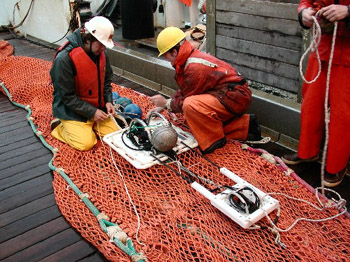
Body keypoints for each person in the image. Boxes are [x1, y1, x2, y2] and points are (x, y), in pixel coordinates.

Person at [150, 26, 262, 154]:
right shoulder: (188, 58)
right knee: (193, 120)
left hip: (235, 97)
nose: (167, 60)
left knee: (190, 106)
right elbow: (187, 89)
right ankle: (246, 126)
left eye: (166, 56)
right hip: (228, 94)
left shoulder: (194, 68)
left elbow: (186, 99)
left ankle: (214, 141)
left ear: (174, 52)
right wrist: (166, 105)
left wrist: (166, 103)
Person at [282, 0, 350, 187]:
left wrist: (347, 11)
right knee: (311, 106)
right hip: (321, 50)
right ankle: (307, 152)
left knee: (343, 115)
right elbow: (305, 2)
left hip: (347, 55)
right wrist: (304, 12)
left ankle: (336, 165)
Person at [50, 16, 120, 151]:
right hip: (71, 111)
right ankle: (59, 127)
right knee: (86, 143)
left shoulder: (100, 52)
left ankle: (88, 126)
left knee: (115, 135)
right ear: (87, 39)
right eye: (100, 44)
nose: (103, 49)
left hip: (96, 108)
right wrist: (92, 112)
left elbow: (106, 82)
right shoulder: (64, 59)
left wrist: (108, 101)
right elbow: (67, 97)